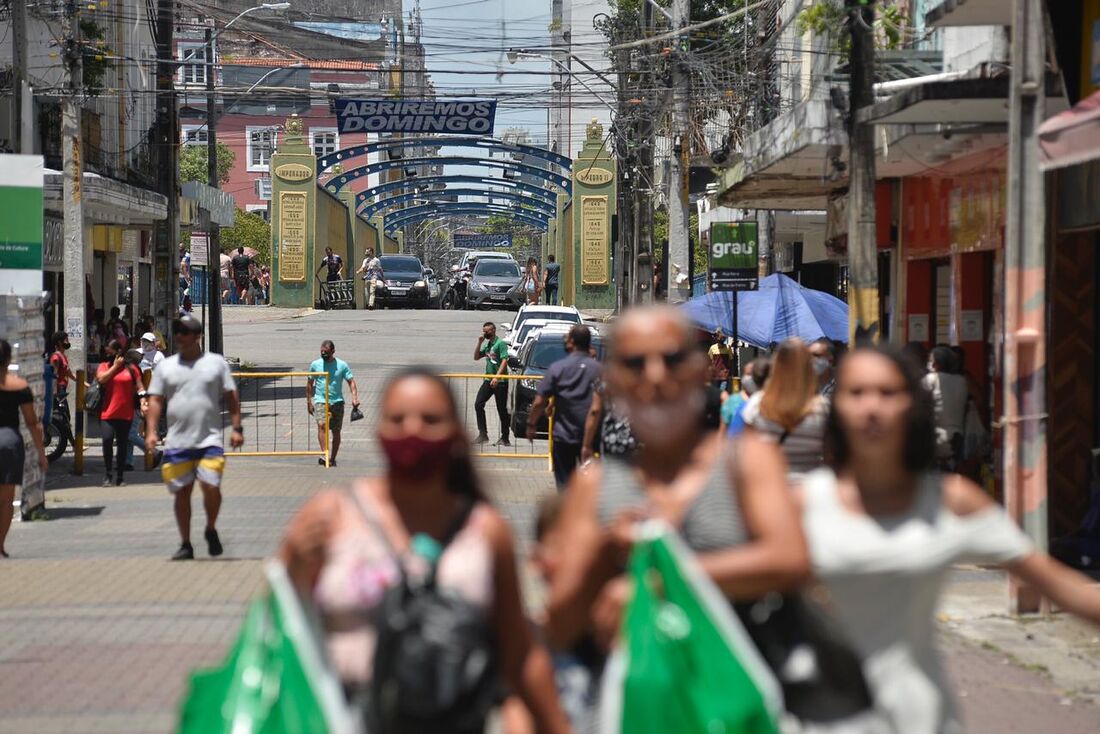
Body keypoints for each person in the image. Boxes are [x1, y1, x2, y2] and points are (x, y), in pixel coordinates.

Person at [801, 345, 1100, 734]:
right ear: (835, 407)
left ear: (913, 405)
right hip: (816, 717)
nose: (871, 407)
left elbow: (1062, 587)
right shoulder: (800, 504)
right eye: (856, 393)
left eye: (888, 393)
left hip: (921, 718)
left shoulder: (951, 500)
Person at [546, 306, 809, 730]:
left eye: (671, 359)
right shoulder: (595, 487)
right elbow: (559, 622)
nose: (655, 376)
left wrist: (657, 578)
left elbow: (789, 558)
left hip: (736, 704)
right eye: (635, 363)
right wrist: (602, 550)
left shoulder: (746, 463)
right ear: (612, 381)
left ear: (699, 371)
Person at [278, 369, 570, 732]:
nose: (412, 429)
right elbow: (279, 621)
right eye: (397, 418)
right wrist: (291, 563)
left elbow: (520, 652)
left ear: (456, 434)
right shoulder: (330, 518)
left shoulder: (484, 531)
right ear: (379, 429)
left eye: (430, 419)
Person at [144, 315, 243, 561]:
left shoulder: (215, 363)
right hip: (178, 441)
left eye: (185, 332)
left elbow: (231, 395)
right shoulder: (166, 367)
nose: (179, 336)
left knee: (211, 486)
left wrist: (237, 427)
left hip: (209, 439)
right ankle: (186, 543)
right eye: (176, 331)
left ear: (197, 336)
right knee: (182, 492)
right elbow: (155, 400)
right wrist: (152, 431)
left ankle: (210, 528)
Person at [741, 338, 829, 482]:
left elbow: (747, 453)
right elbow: (830, 456)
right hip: (809, 494)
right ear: (808, 367)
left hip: (769, 490)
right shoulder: (822, 407)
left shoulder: (757, 404)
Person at [526, 325, 601, 489]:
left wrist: (531, 424)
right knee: (594, 486)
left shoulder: (558, 368)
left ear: (572, 342)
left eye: (566, 338)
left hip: (564, 437)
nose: (564, 341)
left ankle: (569, 511)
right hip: (592, 437)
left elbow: (539, 402)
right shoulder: (599, 370)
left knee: (565, 486)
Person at [0, 339, 48, 558]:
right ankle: (0, 544)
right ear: (9, 359)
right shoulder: (19, 385)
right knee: (7, 499)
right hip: (10, 441)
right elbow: (32, 423)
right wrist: (41, 454)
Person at [95, 339, 141, 487]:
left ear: (119, 352)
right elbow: (102, 379)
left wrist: (144, 401)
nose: (107, 353)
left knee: (122, 444)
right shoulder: (104, 366)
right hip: (107, 412)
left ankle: (120, 476)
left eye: (110, 350)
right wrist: (115, 367)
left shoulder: (132, 369)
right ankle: (108, 474)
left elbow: (140, 386)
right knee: (107, 441)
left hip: (126, 413)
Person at [307, 340, 360, 468]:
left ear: (333, 352)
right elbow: (309, 383)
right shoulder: (315, 364)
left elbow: (351, 382)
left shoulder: (341, 365)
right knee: (322, 426)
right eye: (322, 352)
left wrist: (354, 397)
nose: (323, 354)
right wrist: (309, 401)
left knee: (336, 431)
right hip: (320, 401)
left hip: (337, 402)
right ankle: (325, 454)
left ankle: (332, 458)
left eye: (326, 352)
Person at [923, 345, 969, 471]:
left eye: (932, 361)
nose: (930, 364)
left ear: (939, 363)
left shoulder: (931, 379)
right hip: (958, 437)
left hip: (936, 438)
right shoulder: (962, 381)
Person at [473, 321, 511, 447]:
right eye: (484, 331)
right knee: (478, 404)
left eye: (487, 331)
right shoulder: (488, 345)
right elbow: (476, 357)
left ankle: (505, 437)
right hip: (488, 381)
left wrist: (497, 377)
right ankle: (483, 434)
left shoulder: (500, 344)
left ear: (493, 331)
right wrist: (479, 342)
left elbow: (505, 361)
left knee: (501, 410)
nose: (485, 333)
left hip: (500, 382)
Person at [49, 332, 77, 400]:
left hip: (63, 390)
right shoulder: (56, 357)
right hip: (58, 391)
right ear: (59, 342)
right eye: (66, 340)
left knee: (65, 410)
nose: (68, 342)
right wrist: (55, 394)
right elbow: (54, 376)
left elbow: (70, 374)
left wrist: (83, 383)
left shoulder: (63, 356)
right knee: (63, 410)